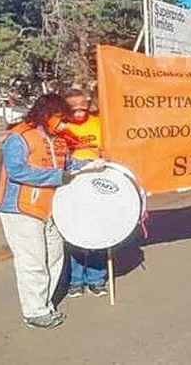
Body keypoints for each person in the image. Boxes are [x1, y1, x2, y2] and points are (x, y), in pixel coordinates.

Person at [0, 93, 104, 328]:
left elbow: (68, 164)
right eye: (61, 119)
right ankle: (34, 312)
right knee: (32, 262)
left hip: (50, 209)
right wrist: (58, 177)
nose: (64, 124)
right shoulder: (19, 136)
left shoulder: (58, 139)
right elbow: (17, 171)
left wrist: (91, 165)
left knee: (55, 257)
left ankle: (45, 304)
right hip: (21, 210)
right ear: (48, 115)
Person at [59, 88, 108, 298]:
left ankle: (96, 279)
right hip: (72, 186)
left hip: (97, 183)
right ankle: (75, 280)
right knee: (75, 234)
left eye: (83, 108)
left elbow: (109, 149)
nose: (79, 112)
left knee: (98, 231)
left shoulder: (100, 123)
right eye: (73, 109)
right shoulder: (61, 127)